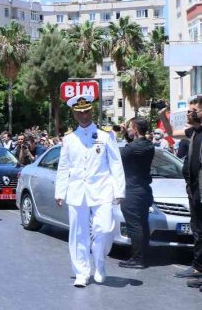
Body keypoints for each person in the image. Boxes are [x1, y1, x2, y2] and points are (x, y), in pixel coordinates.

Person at [54, 93, 125, 287]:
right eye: (80, 112)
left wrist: (119, 191)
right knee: (78, 233)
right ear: (74, 114)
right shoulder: (69, 138)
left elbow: (116, 163)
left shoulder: (105, 135)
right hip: (77, 191)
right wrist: (60, 192)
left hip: (102, 189)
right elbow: (64, 167)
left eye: (86, 111)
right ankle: (82, 272)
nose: (84, 115)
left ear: (92, 111)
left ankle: (99, 263)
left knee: (104, 228)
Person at [117, 117, 155, 270]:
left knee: (134, 226)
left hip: (132, 191)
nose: (128, 129)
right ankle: (143, 256)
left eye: (130, 127)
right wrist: (126, 135)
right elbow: (134, 148)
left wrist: (118, 137)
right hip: (144, 190)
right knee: (143, 224)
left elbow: (118, 159)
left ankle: (138, 259)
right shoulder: (149, 145)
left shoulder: (131, 148)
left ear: (136, 129)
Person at [179, 94, 202, 285]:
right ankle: (198, 267)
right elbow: (172, 132)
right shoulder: (194, 132)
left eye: (193, 110)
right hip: (195, 191)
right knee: (197, 229)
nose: (189, 113)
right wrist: (162, 115)